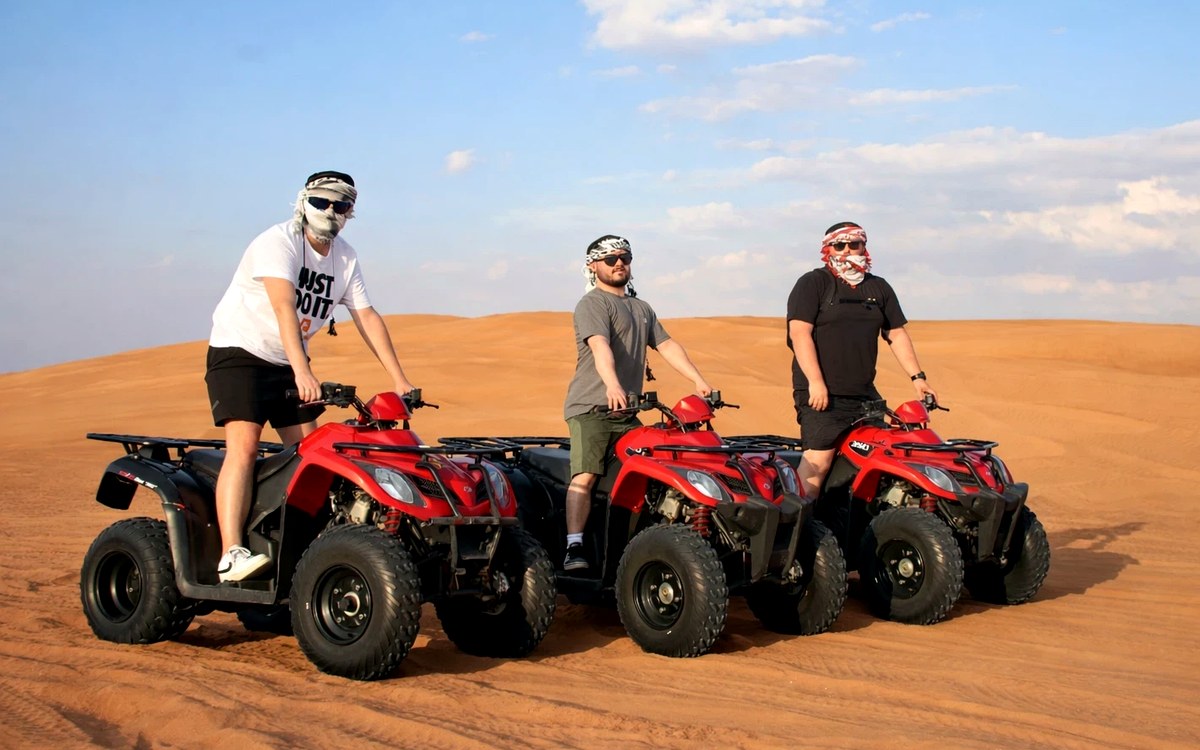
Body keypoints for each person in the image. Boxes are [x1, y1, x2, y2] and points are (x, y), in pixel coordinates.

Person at [205, 170, 416, 582]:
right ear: (304, 201)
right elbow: (285, 307)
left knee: (310, 457)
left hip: (290, 363)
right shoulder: (278, 242)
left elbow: (366, 316)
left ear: (351, 212)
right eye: (322, 202)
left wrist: (400, 379)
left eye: (342, 205)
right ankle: (231, 551)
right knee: (244, 447)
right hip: (241, 354)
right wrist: (303, 370)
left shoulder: (346, 257)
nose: (331, 211)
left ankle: (295, 548)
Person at [562, 234, 713, 571]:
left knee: (651, 468)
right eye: (610, 259)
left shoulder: (641, 308)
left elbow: (668, 346)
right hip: (592, 409)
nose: (619, 264)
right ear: (592, 266)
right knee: (585, 475)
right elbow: (600, 346)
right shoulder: (593, 304)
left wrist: (700, 381)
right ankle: (574, 546)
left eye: (625, 258)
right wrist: (612, 385)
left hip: (627, 413)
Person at [786, 221, 936, 499]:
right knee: (818, 464)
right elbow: (800, 334)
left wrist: (918, 378)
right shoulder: (813, 283)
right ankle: (798, 533)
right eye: (839, 245)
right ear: (827, 248)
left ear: (864, 246)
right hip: (823, 396)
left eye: (854, 244)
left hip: (865, 396)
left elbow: (896, 333)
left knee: (880, 458)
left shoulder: (878, 288)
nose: (846, 251)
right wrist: (816, 383)